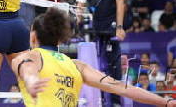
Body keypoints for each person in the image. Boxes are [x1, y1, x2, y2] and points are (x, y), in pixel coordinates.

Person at [11, 8, 176, 107]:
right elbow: (120, 87)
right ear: (60, 37)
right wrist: (164, 102)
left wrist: (31, 80)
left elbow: (27, 67)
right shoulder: (76, 66)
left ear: (33, 36)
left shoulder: (31, 56)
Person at [77, 0, 127, 106]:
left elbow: (120, 3)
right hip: (94, 28)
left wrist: (119, 27)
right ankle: (97, 100)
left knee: (113, 65)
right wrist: (77, 21)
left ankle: (115, 101)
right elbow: (80, 5)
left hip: (111, 26)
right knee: (94, 65)